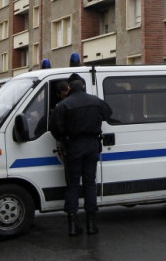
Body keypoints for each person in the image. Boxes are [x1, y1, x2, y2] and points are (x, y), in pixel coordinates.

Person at [50, 73, 112, 236]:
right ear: (83, 86)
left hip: (73, 146)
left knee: (72, 185)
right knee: (90, 184)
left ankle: (72, 226)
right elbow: (108, 114)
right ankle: (91, 225)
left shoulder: (63, 105)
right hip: (92, 145)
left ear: (69, 87)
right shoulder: (96, 101)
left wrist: (65, 138)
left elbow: (55, 129)